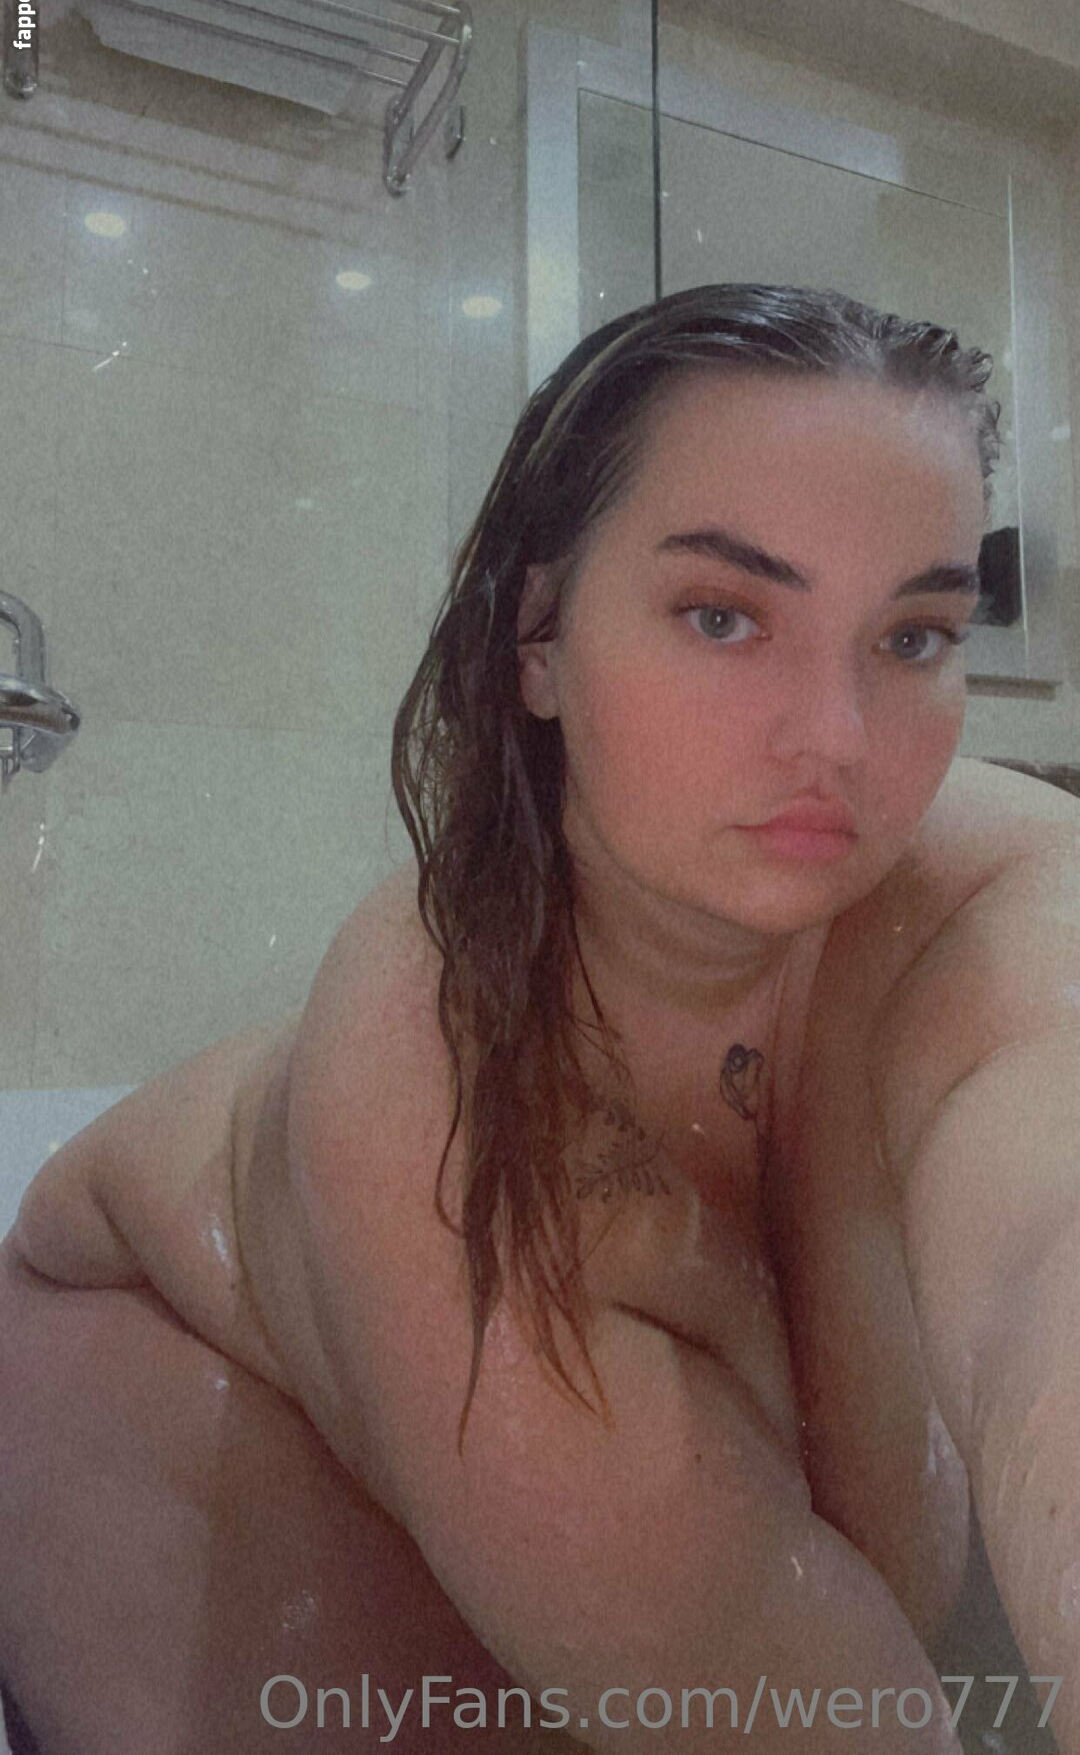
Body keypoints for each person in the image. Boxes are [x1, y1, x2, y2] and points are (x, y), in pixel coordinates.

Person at [1, 284, 1078, 1754]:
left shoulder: (990, 892)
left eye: (912, 637)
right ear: (539, 639)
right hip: (162, 1341)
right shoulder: (440, 1094)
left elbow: (1048, 1245)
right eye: (723, 616)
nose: (836, 738)